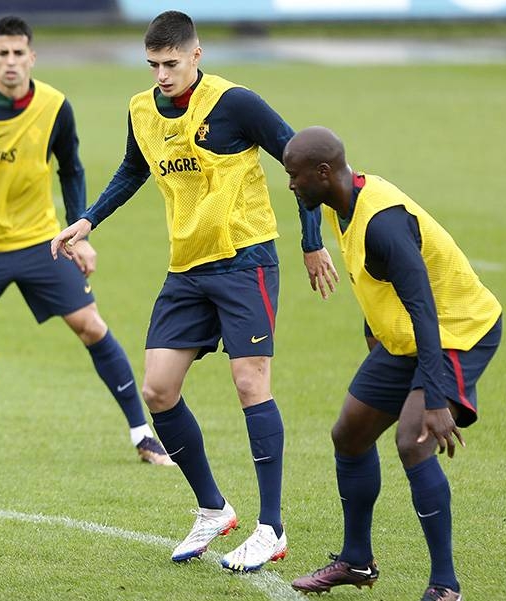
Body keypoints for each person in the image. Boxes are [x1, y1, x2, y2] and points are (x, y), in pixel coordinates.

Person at [52, 10, 339, 571]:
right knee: (158, 390)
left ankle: (271, 528)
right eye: (154, 65)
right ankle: (212, 508)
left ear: (197, 54)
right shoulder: (141, 109)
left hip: (245, 257)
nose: (162, 74)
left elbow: (301, 164)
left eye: (172, 64)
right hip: (187, 267)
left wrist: (311, 241)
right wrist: (88, 220)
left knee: (250, 381)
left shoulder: (237, 104)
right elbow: (133, 170)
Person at [0, 15, 172, 466]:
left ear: (32, 56)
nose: (11, 62)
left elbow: (72, 170)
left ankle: (143, 435)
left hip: (38, 243)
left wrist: (80, 230)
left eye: (18, 53)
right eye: (3, 54)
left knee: (91, 325)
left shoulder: (54, 106)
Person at [283, 126, 501, 601]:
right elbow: (376, 283)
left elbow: (424, 305)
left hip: (457, 331)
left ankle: (446, 585)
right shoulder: (344, 203)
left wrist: (436, 398)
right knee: (350, 434)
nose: (291, 186)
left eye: (295, 176)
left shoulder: (382, 222)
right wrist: (373, 336)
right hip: (405, 337)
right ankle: (357, 561)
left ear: (322, 173)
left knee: (412, 438)